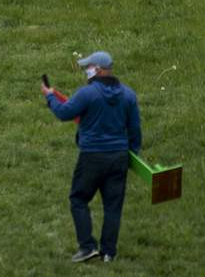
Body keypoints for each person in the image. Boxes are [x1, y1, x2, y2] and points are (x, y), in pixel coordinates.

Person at [40, 51, 141, 264]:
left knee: (78, 199)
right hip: (119, 157)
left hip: (92, 157)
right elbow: (135, 130)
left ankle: (87, 247)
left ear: (100, 69)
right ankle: (108, 253)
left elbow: (64, 113)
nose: (87, 70)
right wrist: (133, 156)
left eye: (89, 66)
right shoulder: (129, 95)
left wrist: (50, 96)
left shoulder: (87, 94)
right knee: (113, 206)